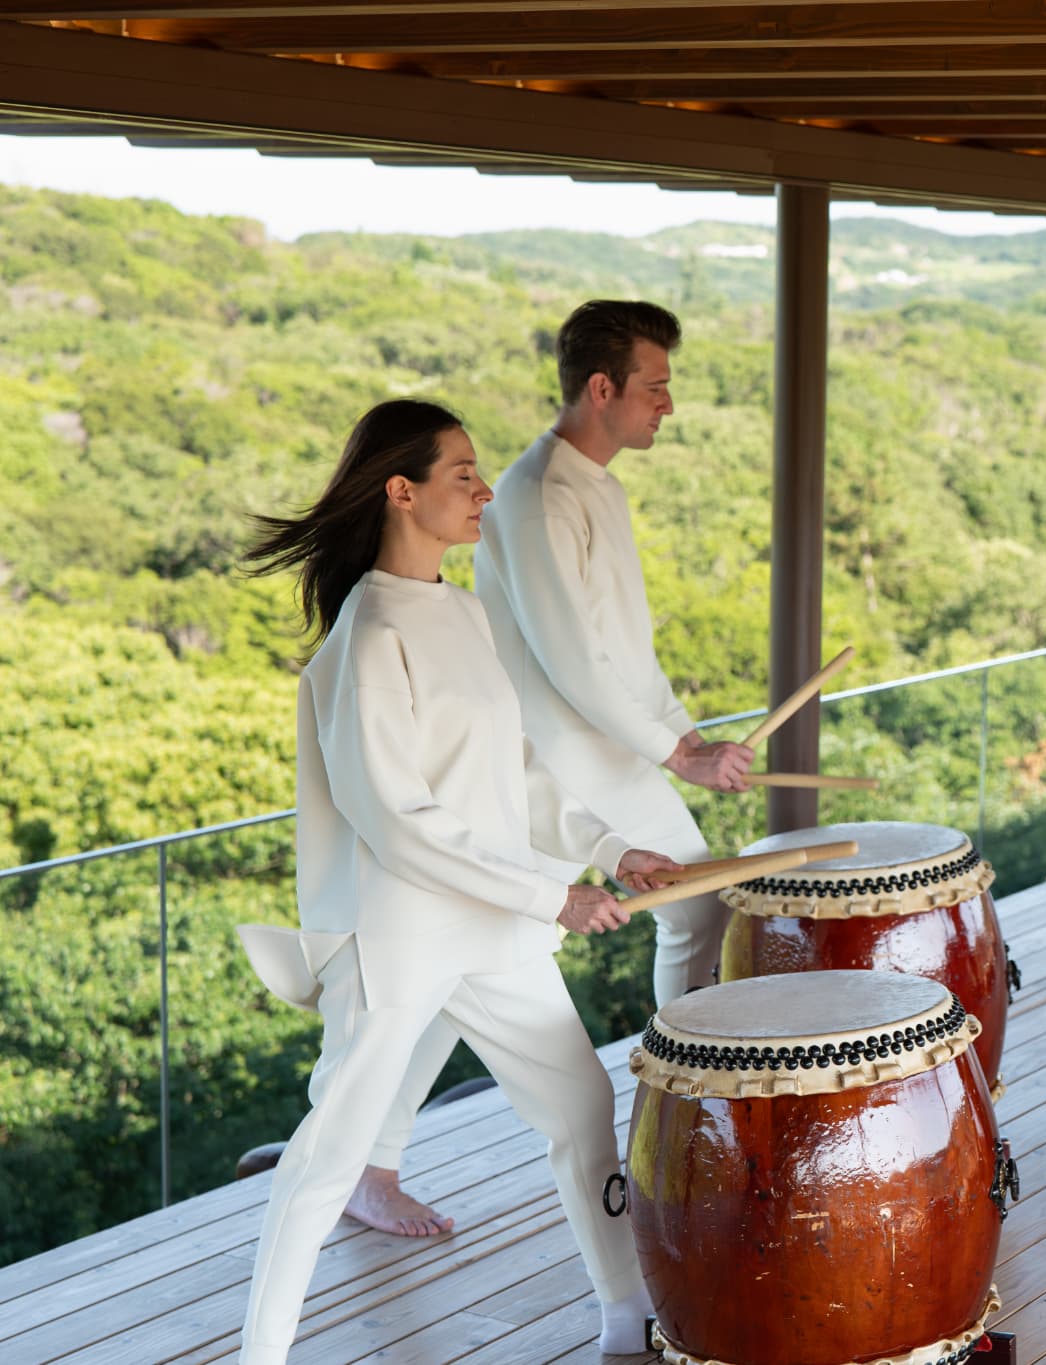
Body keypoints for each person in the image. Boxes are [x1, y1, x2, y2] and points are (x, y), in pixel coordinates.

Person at [238, 399, 675, 1362]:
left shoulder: (462, 610)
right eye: (464, 474)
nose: (483, 490)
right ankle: (260, 1353)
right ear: (403, 490)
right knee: (328, 1159)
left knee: (579, 1106)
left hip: (497, 928)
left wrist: (610, 846)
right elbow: (396, 819)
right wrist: (553, 896)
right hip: (404, 938)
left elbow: (515, 770)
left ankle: (623, 1314)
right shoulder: (367, 634)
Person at [474, 299, 752, 1006]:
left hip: (611, 750)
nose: (669, 404)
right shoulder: (537, 495)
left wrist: (688, 740)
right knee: (520, 950)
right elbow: (573, 662)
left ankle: (693, 1083)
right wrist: (678, 757)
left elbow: (628, 649)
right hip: (559, 762)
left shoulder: (599, 486)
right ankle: (689, 1086)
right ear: (604, 388)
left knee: (700, 906)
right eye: (654, 386)